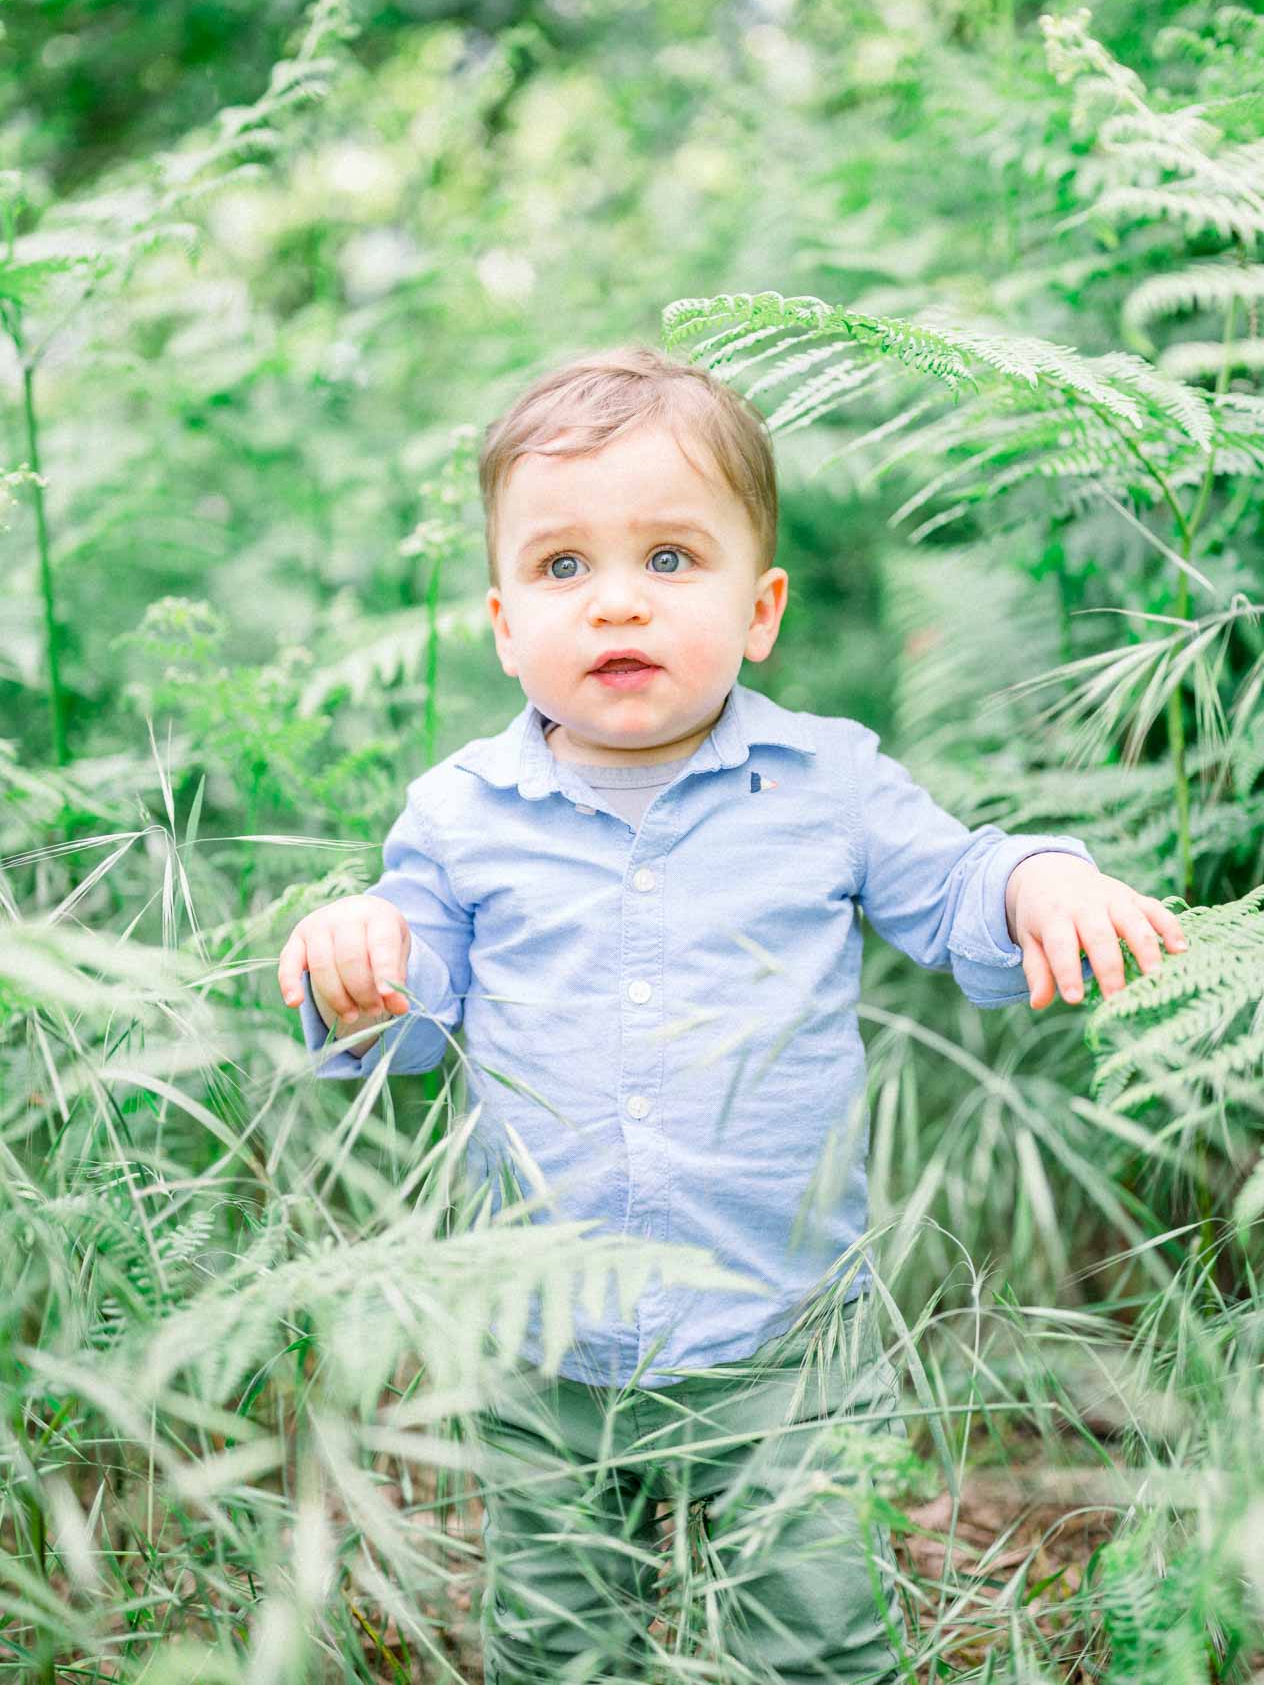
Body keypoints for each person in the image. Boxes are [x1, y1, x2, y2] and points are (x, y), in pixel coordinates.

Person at [277, 343, 1188, 1684]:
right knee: (556, 1643)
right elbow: (401, 1038)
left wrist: (1040, 879)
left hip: (788, 1339)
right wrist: (354, 966)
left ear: (759, 611)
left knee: (818, 1637)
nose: (613, 606)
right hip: (550, 1352)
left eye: (668, 559)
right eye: (562, 567)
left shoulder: (827, 784)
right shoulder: (458, 818)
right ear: (501, 621)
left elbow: (954, 886)